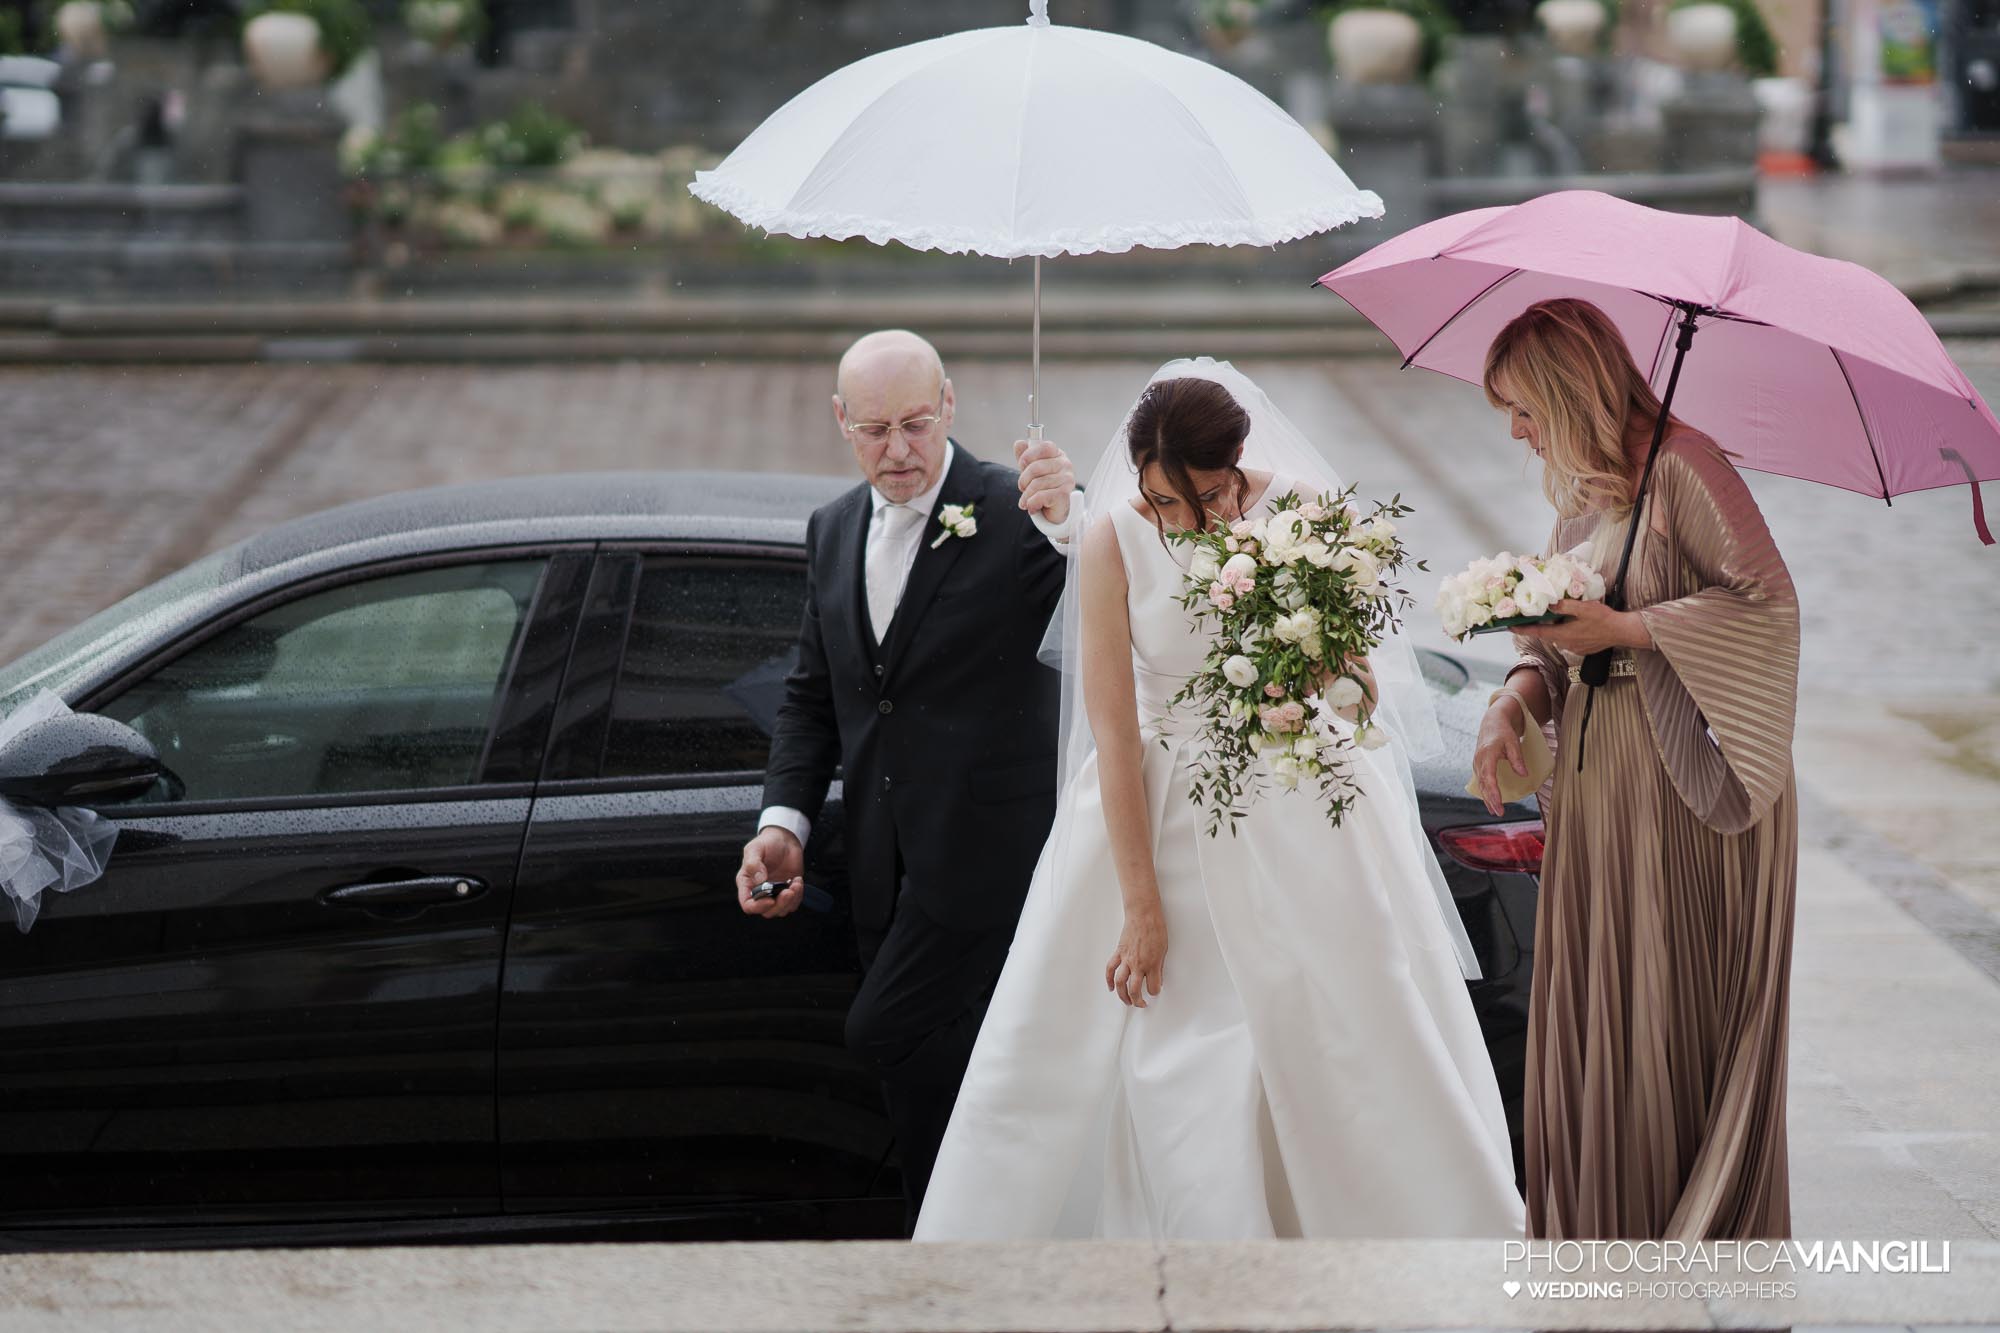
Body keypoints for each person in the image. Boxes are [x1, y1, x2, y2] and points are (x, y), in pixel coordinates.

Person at [912, 359, 1525, 1239]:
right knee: (1165, 1061)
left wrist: (1314, 677)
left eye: (1203, 494)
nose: (1188, 521)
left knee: (1339, 1039)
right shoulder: (1112, 542)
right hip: (1156, 818)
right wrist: (1139, 906)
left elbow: (1363, 691)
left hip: (1299, 807)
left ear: (1237, 462)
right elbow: (1115, 736)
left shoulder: (1312, 518)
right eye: (1163, 500)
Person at [733, 329, 1080, 1234]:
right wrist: (784, 822)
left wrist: (1071, 521)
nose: (899, 449)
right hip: (884, 867)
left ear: (951, 406)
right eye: (876, 428)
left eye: (918, 424)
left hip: (995, 864)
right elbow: (815, 698)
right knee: (941, 1086)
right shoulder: (833, 527)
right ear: (841, 421)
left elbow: (1095, 616)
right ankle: (954, 1248)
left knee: (880, 1032)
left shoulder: (1014, 514)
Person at [1471, 297, 1800, 1240]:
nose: (1516, 432)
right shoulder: (1586, 490)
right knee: (1596, 1008)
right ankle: (1603, 1229)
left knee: (1666, 1004)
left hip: (1682, 782)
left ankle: (1688, 1225)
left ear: (1566, 392)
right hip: (1599, 777)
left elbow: (1769, 609)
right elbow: (1558, 640)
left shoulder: (1689, 467)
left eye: (1522, 408)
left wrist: (1632, 628)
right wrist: (1514, 695)